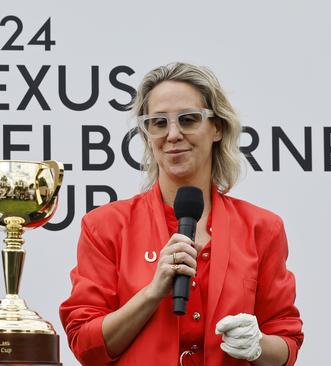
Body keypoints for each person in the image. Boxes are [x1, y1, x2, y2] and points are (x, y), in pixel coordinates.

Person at [60, 62, 303, 366]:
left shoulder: (262, 228)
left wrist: (258, 346)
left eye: (188, 120)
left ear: (217, 128)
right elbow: (85, 345)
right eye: (158, 123)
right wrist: (151, 294)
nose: (173, 134)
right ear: (147, 134)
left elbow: (286, 345)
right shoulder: (106, 226)